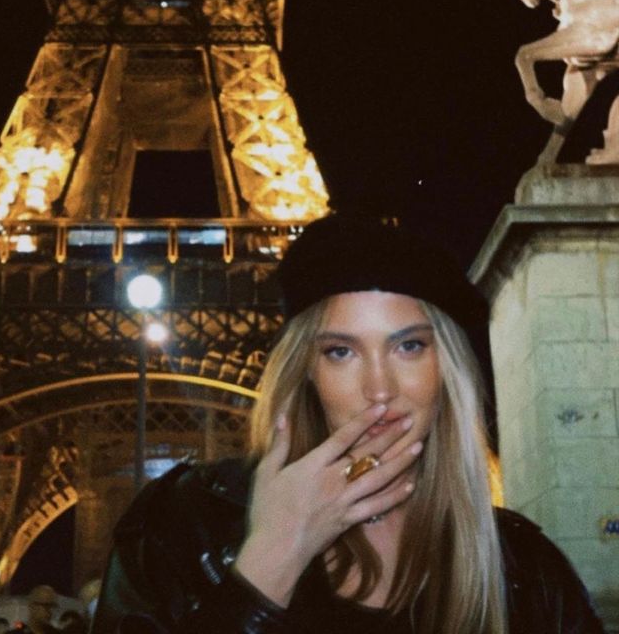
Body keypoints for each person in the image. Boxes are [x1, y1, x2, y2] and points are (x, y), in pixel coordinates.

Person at [91, 214, 606, 633]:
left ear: (446, 368)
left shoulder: (525, 569)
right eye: (341, 351)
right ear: (306, 372)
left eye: (409, 346)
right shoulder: (182, 526)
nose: (380, 389)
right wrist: (270, 562)